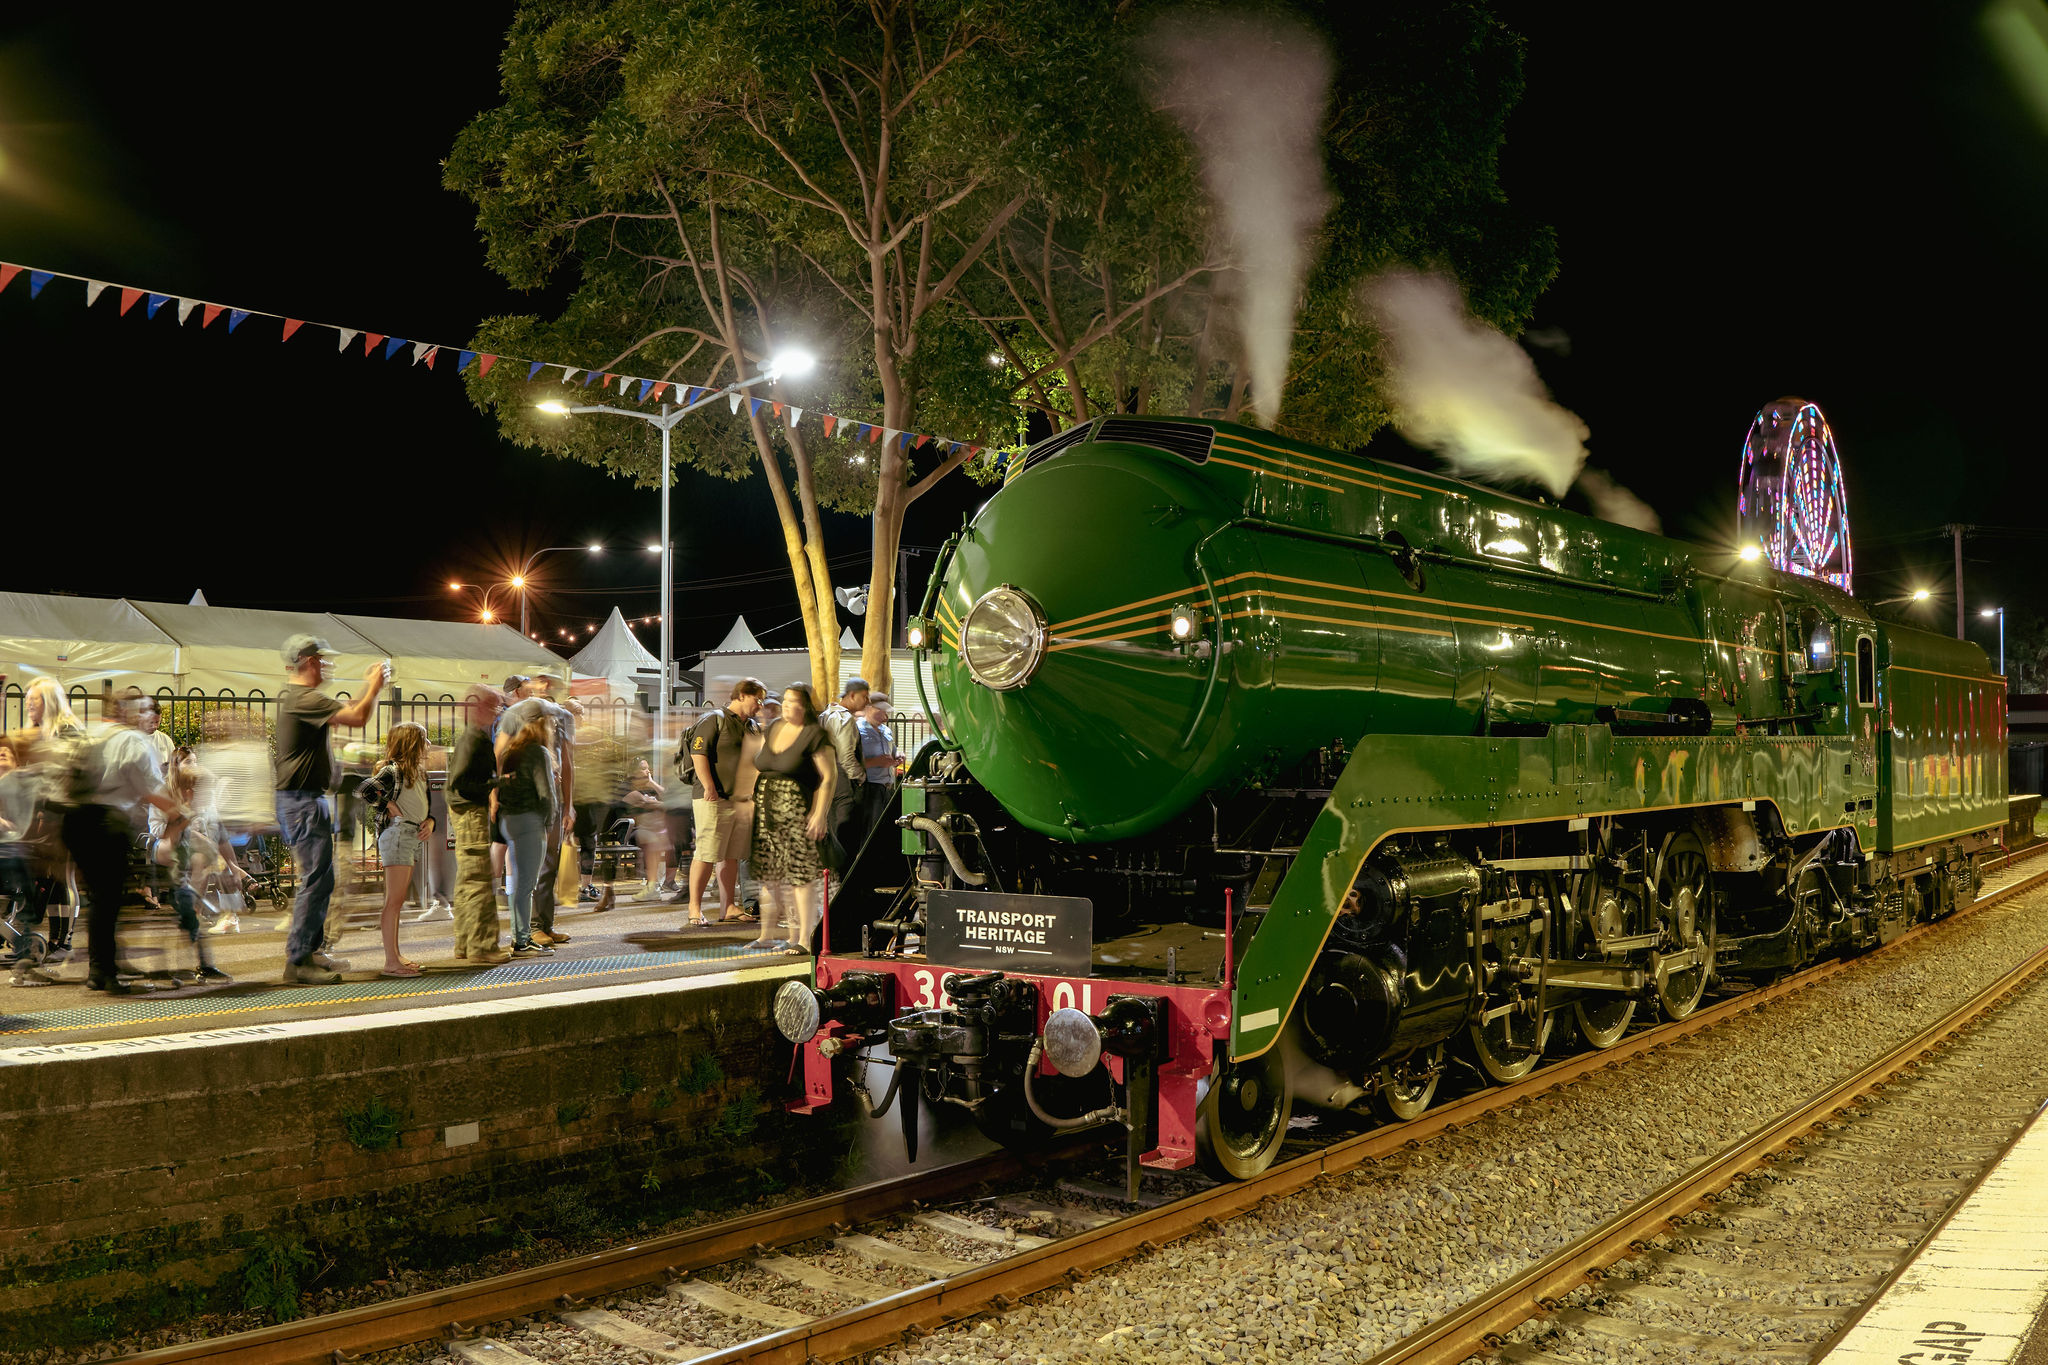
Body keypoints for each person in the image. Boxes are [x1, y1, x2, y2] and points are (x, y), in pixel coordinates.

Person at [276, 635, 389, 984]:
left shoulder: (304, 700)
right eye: (323, 659)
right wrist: (374, 686)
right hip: (302, 801)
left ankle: (310, 950)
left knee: (322, 880)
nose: (328, 665)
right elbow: (357, 716)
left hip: (306, 799)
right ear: (309, 661)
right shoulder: (304, 698)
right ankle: (298, 961)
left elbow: (345, 714)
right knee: (315, 880)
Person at [65, 689, 185, 993]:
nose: (142, 715)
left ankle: (103, 965)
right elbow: (150, 788)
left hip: (76, 820)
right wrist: (178, 811)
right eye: (138, 709)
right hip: (107, 821)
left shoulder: (89, 733)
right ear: (122, 710)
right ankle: (104, 972)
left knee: (100, 898)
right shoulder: (131, 740)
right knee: (108, 900)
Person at [745, 684, 835, 954]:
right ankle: (769, 935)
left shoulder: (814, 734)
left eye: (792, 701)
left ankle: (805, 940)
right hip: (766, 812)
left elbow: (829, 777)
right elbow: (760, 764)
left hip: (796, 811)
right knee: (770, 877)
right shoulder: (773, 728)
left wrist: (819, 814)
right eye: (784, 700)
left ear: (805, 706)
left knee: (799, 877)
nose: (785, 705)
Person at [498, 679, 578, 945]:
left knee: (548, 864)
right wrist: (494, 796)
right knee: (533, 868)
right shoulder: (518, 718)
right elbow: (498, 756)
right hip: (530, 807)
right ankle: (530, 929)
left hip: (547, 805)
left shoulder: (563, 718)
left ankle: (544, 923)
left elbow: (567, 763)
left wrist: (568, 805)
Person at [684, 678, 765, 927]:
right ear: (741, 695)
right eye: (757, 699)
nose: (760, 705)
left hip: (740, 799)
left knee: (730, 855)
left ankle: (728, 906)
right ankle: (694, 909)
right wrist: (709, 786)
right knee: (707, 852)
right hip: (713, 797)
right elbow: (699, 754)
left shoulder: (752, 726)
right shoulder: (714, 719)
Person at [154, 749, 235, 985]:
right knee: (201, 855)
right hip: (167, 847)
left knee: (201, 862)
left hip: (194, 855)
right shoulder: (165, 793)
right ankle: (190, 964)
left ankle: (201, 962)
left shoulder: (200, 796)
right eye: (189, 762)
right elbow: (159, 831)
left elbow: (218, 832)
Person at [359, 721, 432, 978]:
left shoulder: (417, 772)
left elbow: (427, 806)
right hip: (399, 834)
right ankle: (391, 961)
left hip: (409, 834)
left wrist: (430, 821)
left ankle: (396, 956)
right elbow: (365, 789)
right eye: (424, 739)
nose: (428, 745)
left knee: (397, 901)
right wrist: (387, 803)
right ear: (412, 743)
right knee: (394, 901)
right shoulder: (393, 770)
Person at [445, 686, 508, 965]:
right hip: (470, 812)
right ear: (479, 707)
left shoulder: (470, 738)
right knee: (479, 881)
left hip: (464, 811)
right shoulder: (476, 739)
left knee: (467, 881)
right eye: (495, 706)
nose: (498, 712)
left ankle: (465, 943)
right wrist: (498, 783)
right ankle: (482, 946)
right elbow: (463, 783)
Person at [491, 710, 557, 956]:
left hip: (509, 819)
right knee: (526, 885)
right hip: (530, 820)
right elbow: (546, 792)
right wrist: (549, 822)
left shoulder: (511, 752)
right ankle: (521, 940)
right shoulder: (539, 752)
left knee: (516, 882)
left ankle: (519, 936)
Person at [572, 722, 628, 913]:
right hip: (585, 804)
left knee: (601, 846)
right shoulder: (576, 752)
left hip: (600, 804)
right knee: (592, 845)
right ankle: (595, 889)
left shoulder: (604, 751)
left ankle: (604, 890)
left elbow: (613, 778)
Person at [819, 678, 870, 860]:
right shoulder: (845, 719)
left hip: (827, 780)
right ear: (852, 695)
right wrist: (860, 777)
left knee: (833, 832)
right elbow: (846, 756)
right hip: (844, 784)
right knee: (846, 835)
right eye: (864, 696)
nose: (867, 701)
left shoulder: (825, 715)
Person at [621, 758, 671, 901]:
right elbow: (648, 803)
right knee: (653, 839)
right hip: (628, 829)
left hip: (650, 828)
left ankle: (657, 885)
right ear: (634, 772)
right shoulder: (626, 787)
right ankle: (652, 885)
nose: (648, 771)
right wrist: (664, 803)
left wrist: (652, 783)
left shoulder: (648, 787)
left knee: (666, 837)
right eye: (644, 768)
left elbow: (669, 799)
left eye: (648, 768)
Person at [855, 692, 899, 839]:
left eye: (885, 711)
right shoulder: (856, 730)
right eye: (879, 711)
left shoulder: (886, 731)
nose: (884, 716)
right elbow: (849, 762)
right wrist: (877, 761)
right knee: (869, 834)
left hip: (887, 788)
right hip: (869, 789)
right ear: (868, 708)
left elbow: (893, 750)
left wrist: (898, 755)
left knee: (885, 833)